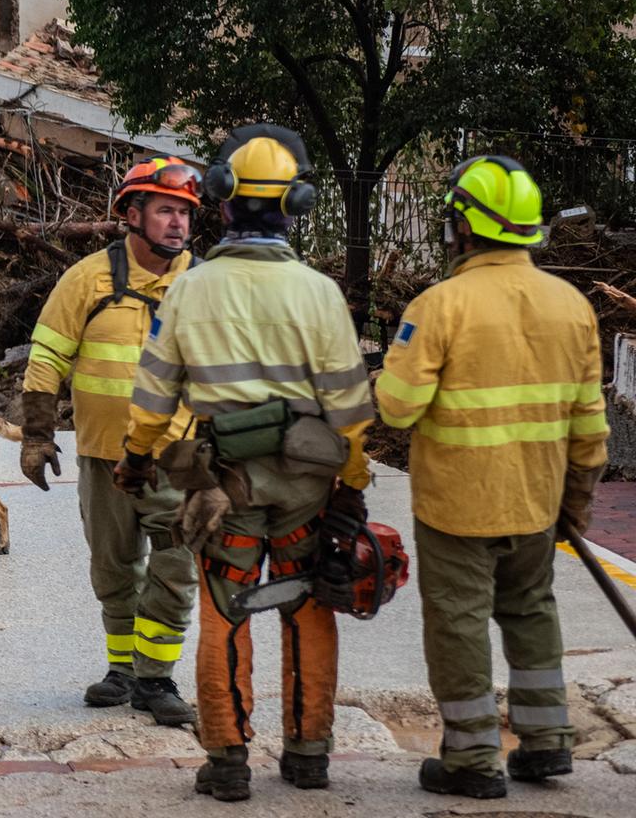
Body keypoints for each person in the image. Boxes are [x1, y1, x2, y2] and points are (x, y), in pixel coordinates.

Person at [122, 124, 375, 803]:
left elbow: (150, 402)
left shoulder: (189, 290)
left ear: (221, 199)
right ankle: (309, 753)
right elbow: (351, 411)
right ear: (297, 204)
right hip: (307, 487)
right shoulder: (320, 293)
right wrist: (351, 486)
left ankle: (229, 760)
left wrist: (135, 460)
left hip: (224, 486)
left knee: (225, 611)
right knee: (309, 605)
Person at [376, 157, 608, 800]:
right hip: (536, 503)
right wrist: (577, 501)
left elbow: (396, 407)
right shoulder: (573, 306)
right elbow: (591, 423)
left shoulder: (439, 305)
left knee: (458, 623)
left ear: (462, 228)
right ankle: (546, 743)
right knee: (532, 610)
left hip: (457, 507)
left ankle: (472, 758)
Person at [20, 156, 201, 726]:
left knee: (175, 566)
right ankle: (122, 671)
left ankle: (156, 679)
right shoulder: (86, 279)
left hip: (178, 457)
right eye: (166, 210)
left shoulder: (203, 283)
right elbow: (48, 355)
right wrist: (36, 435)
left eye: (185, 213)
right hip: (103, 456)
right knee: (114, 567)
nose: (177, 223)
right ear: (131, 212)